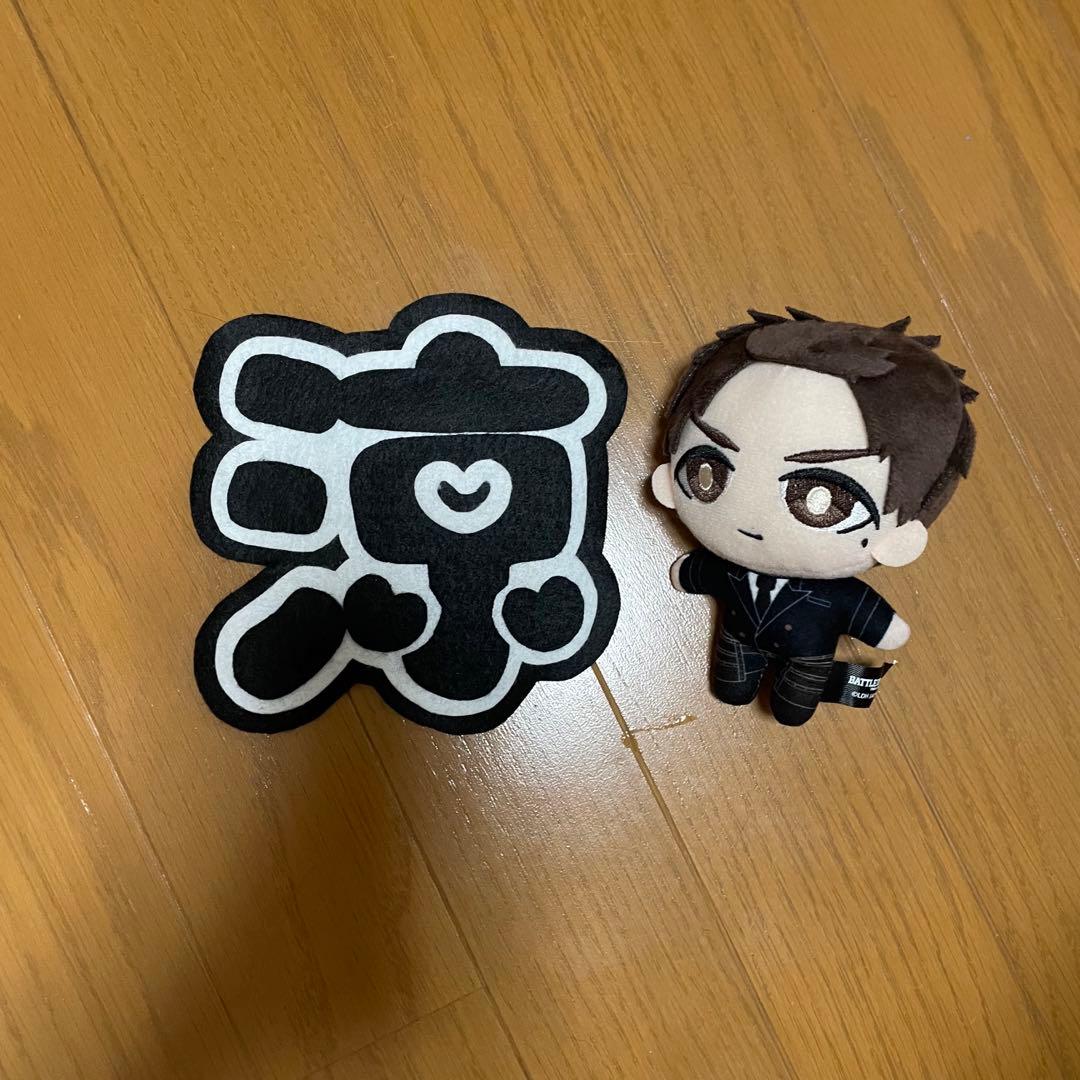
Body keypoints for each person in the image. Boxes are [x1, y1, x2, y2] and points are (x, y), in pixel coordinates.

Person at [651, 307, 977, 725]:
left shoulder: (838, 596)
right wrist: (690, 573)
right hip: (737, 641)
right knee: (731, 686)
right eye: (708, 471)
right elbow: (698, 573)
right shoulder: (730, 572)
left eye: (821, 498)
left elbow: (873, 619)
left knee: (793, 705)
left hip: (808, 658)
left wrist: (884, 629)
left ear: (900, 538)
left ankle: (791, 699)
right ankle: (743, 685)